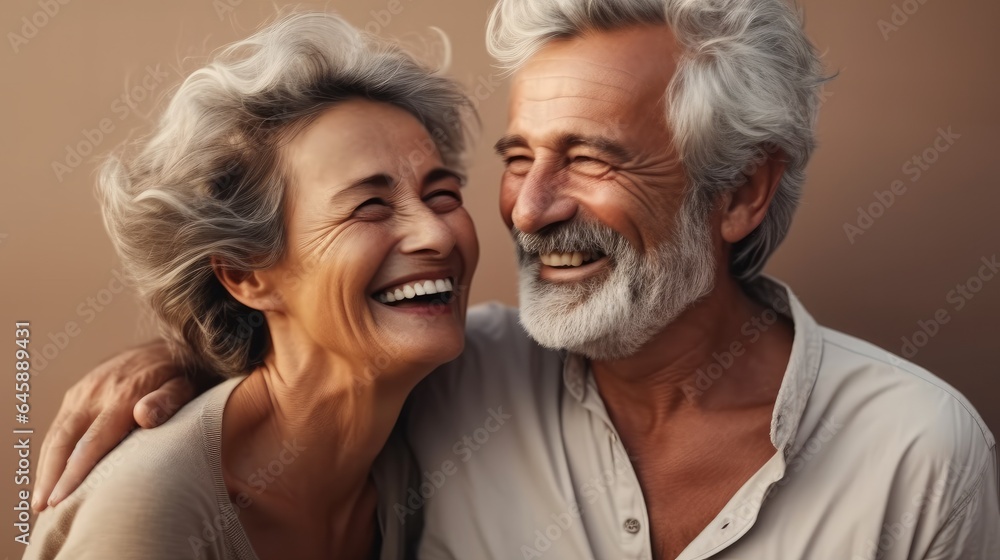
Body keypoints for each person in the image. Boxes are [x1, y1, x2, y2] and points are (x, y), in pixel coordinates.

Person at [34, 0, 1000, 559]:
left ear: (740, 191)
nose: (528, 210)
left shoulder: (918, 455)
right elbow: (303, 361)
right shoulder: (456, 378)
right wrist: (182, 357)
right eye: (517, 156)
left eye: (589, 158)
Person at [24, 11, 479, 560]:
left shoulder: (439, 429)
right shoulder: (149, 518)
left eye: (443, 195)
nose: (434, 232)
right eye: (370, 206)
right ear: (245, 275)